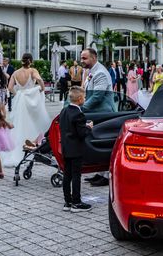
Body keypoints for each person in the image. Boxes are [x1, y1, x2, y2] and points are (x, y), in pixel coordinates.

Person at [1, 54, 51, 167]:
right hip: (31, 99)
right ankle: (35, 147)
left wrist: (18, 94)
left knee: (20, 123)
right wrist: (42, 88)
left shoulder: (15, 73)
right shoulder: (32, 70)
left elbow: (9, 88)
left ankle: (21, 148)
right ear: (31, 61)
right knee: (33, 121)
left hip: (21, 100)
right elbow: (39, 79)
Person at [80, 48, 114, 187]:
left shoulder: (100, 72)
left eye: (85, 58)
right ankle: (100, 172)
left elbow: (97, 96)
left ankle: (106, 176)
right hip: (96, 113)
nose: (82, 61)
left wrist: (81, 109)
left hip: (104, 113)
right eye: (82, 58)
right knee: (97, 142)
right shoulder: (92, 71)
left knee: (104, 143)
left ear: (94, 58)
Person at [59, 86, 93, 212]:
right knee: (76, 175)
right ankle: (76, 202)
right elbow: (81, 133)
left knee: (67, 175)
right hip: (76, 149)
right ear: (79, 99)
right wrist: (88, 127)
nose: (85, 99)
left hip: (66, 148)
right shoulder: (79, 114)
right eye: (84, 97)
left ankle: (67, 201)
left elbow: (68, 128)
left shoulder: (64, 111)